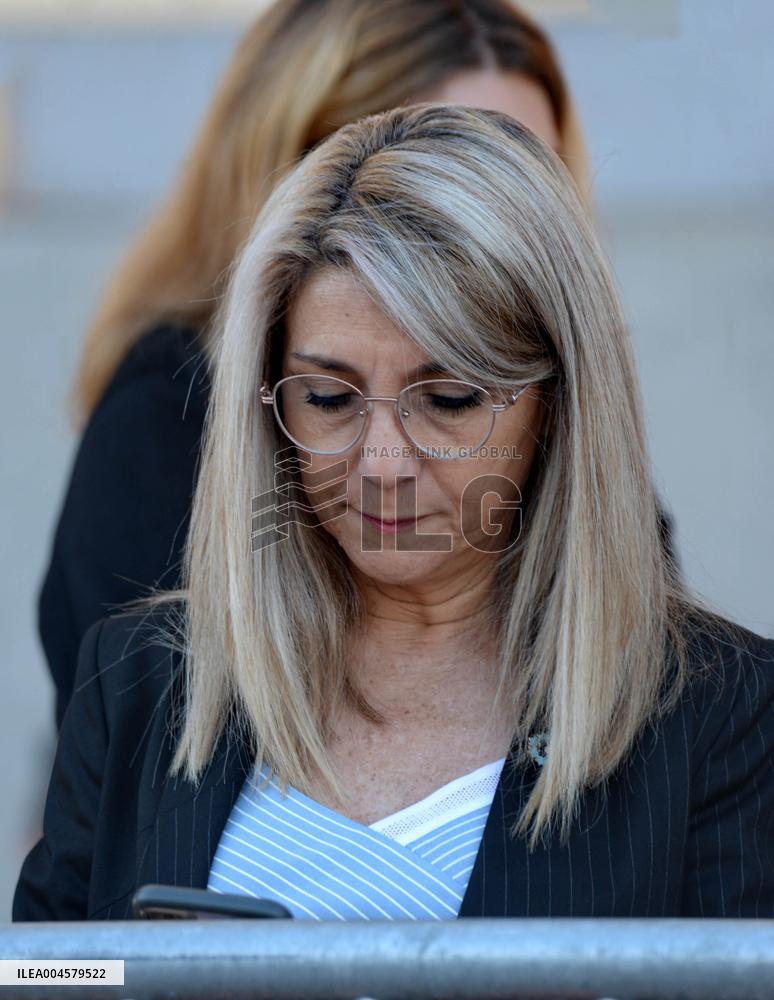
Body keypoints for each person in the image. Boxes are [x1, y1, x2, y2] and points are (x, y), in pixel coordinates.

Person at [14, 104, 773, 923]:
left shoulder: (722, 715)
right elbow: (46, 970)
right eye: (329, 398)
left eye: (447, 400)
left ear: (558, 406)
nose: (381, 464)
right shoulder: (139, 682)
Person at [38, 0, 676, 732]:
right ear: (318, 178)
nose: (507, 217)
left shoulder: (567, 427)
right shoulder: (164, 423)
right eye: (436, 174)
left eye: (530, 174)